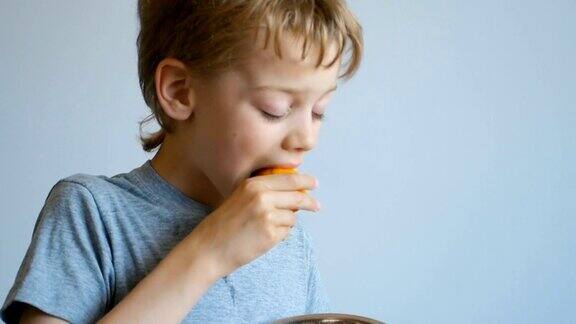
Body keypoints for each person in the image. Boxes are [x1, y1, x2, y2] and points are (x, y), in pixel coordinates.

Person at [1, 1, 363, 323]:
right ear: (179, 91)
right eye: (275, 110)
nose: (306, 139)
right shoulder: (91, 213)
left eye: (319, 112)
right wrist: (207, 253)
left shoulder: (287, 239)